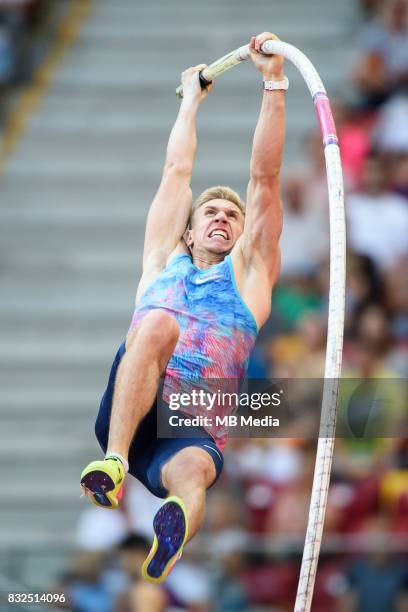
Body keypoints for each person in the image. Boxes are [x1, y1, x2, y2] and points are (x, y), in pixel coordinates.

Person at [80, 31, 286, 583]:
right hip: (130, 411)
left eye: (232, 216)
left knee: (194, 473)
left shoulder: (250, 279)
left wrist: (274, 82)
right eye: (211, 212)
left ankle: (172, 530)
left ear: (242, 236)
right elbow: (176, 174)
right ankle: (114, 465)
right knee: (158, 323)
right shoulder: (160, 265)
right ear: (189, 233)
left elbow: (264, 180)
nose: (222, 218)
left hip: (191, 425)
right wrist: (191, 101)